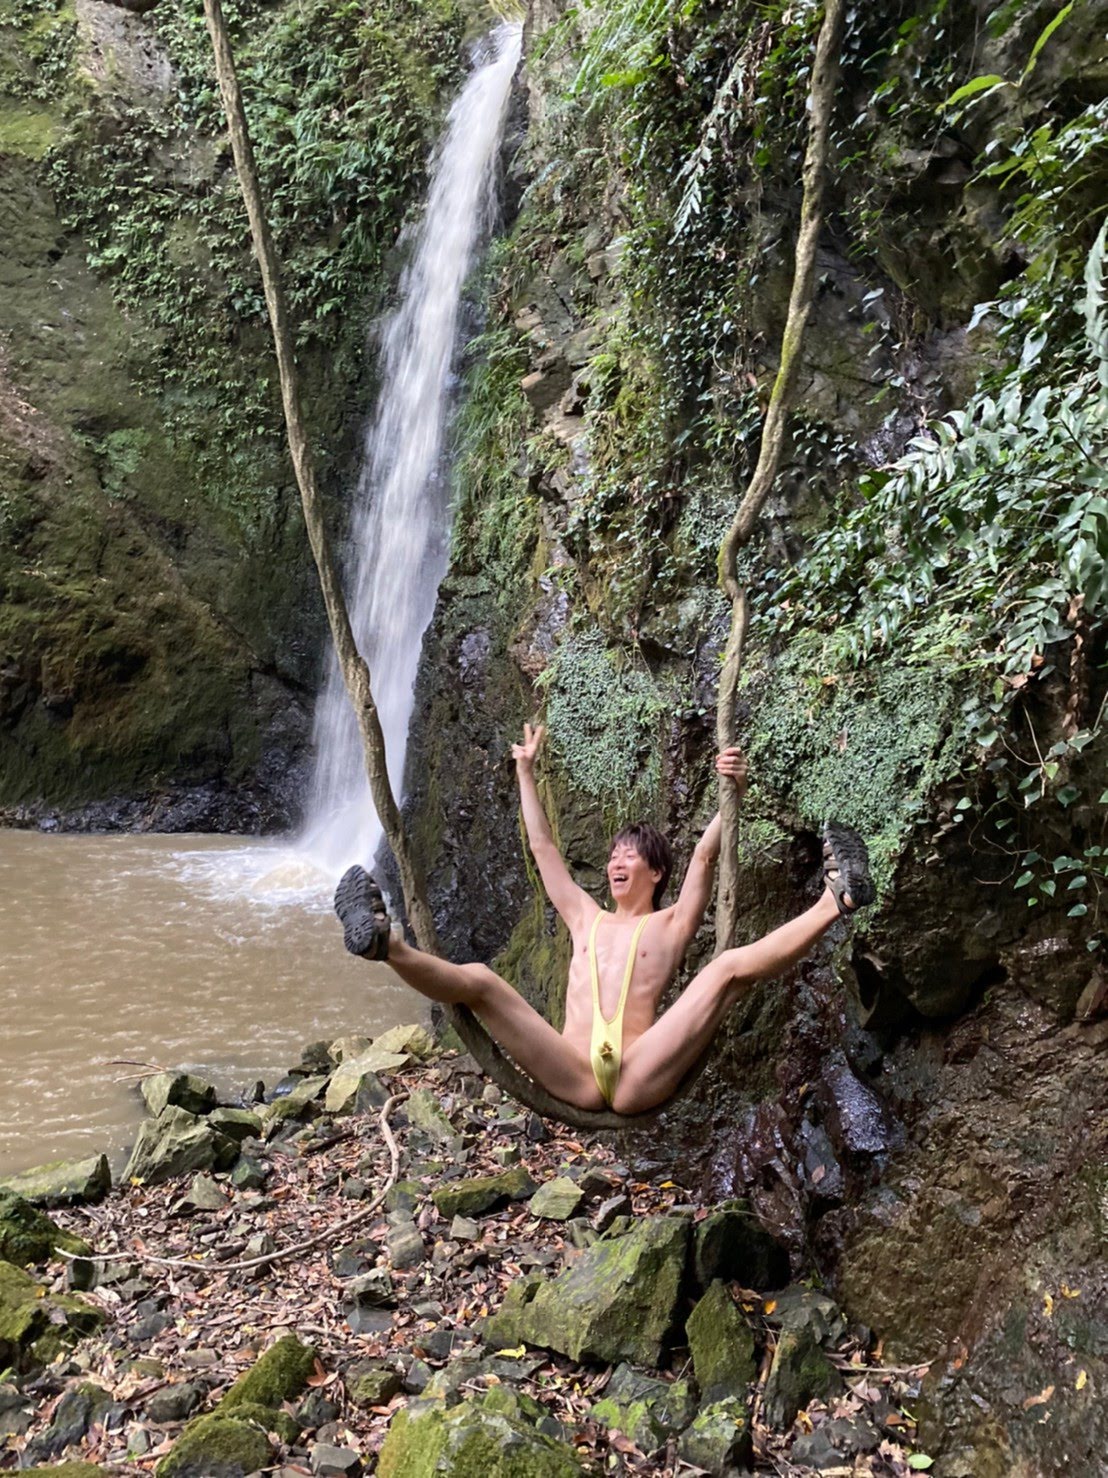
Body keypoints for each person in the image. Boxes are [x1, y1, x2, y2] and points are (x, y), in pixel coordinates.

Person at [334, 724, 874, 1115]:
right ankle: (387, 946)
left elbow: (708, 856)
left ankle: (835, 901)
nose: (615, 862)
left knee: (726, 970)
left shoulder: (672, 924)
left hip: (639, 1071)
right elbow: (544, 850)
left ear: (657, 871)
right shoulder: (584, 918)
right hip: (571, 1067)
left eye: (629, 856)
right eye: (613, 855)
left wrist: (732, 789)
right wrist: (525, 772)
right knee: (479, 980)